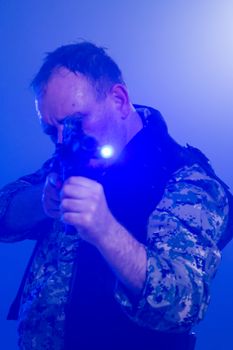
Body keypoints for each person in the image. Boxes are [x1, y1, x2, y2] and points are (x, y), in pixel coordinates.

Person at [0, 41, 232, 350]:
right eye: (51, 130)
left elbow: (183, 304)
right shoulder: (73, 159)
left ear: (119, 100)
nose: (63, 141)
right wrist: (42, 201)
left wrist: (106, 231)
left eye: (76, 122)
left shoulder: (188, 180)